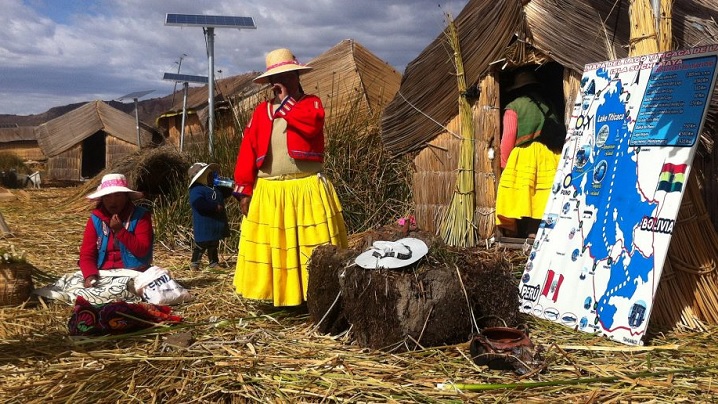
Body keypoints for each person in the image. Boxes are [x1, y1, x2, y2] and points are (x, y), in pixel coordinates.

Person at [232, 47, 348, 307]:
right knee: (276, 247)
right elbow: (248, 150)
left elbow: (311, 125)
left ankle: (317, 295)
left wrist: (287, 103)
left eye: (286, 76)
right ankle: (280, 296)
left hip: (306, 188)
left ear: (297, 76)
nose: (280, 83)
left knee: (310, 246)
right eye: (276, 79)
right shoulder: (261, 112)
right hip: (270, 192)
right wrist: (245, 189)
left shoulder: (311, 104)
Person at [33, 173, 153, 304]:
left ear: (126, 197)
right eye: (107, 196)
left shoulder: (140, 217)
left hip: (132, 273)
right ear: (102, 199)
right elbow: (87, 253)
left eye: (118, 195)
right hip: (102, 274)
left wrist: (120, 231)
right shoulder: (96, 219)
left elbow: (143, 250)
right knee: (67, 283)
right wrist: (90, 275)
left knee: (120, 291)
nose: (113, 201)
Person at [495, 67, 563, 239]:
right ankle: (534, 232)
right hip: (551, 155)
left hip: (525, 156)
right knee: (541, 196)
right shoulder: (550, 105)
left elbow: (509, 136)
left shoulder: (514, 107)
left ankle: (512, 231)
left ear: (517, 89)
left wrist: (504, 164)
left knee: (515, 193)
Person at [188, 162, 230, 270]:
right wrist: (214, 207)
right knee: (201, 244)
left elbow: (227, 192)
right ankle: (195, 263)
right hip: (204, 224)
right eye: (210, 175)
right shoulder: (197, 190)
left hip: (215, 223)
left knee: (214, 243)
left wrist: (225, 183)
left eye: (212, 174)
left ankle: (213, 263)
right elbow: (198, 203)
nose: (212, 177)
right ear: (201, 177)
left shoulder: (215, 188)